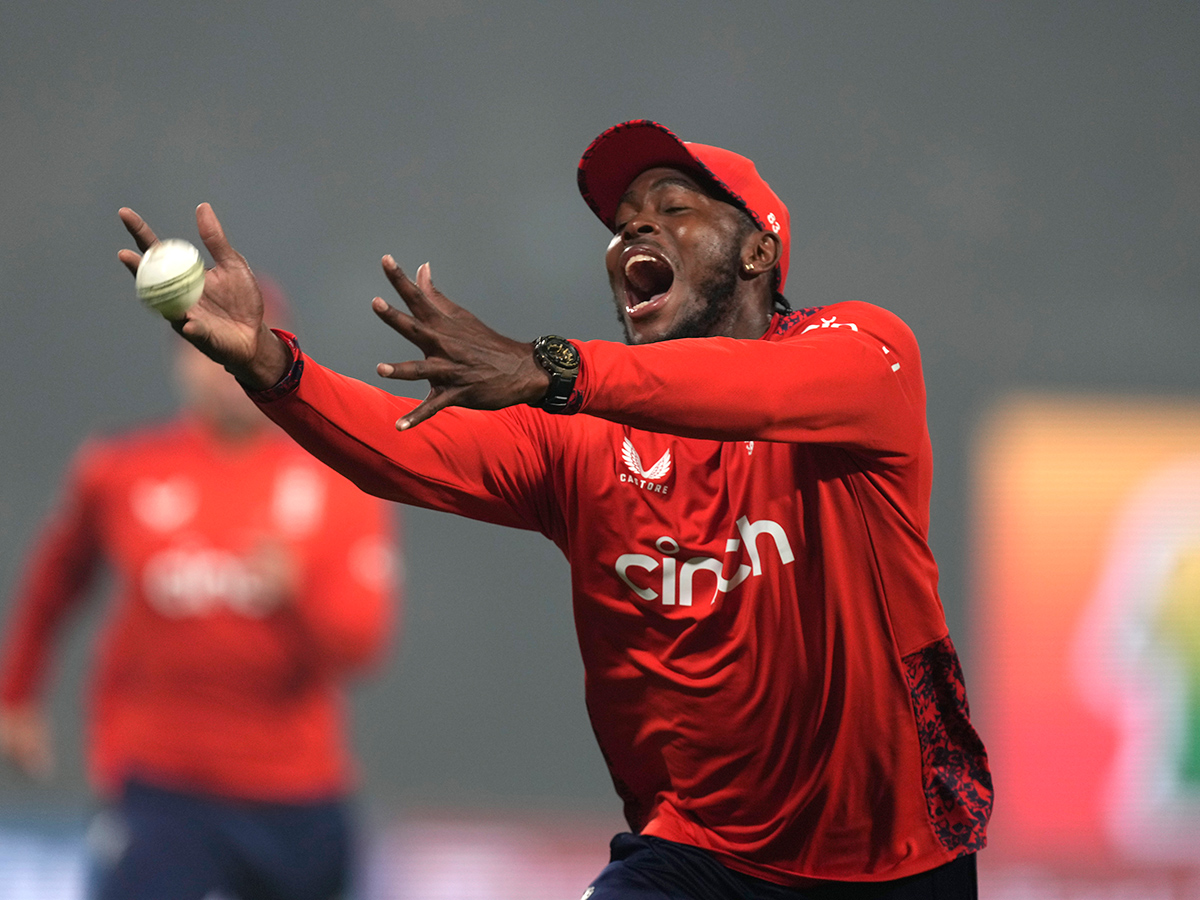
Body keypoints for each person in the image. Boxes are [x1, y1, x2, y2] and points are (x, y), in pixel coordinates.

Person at [116, 119, 991, 899]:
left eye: (673, 206)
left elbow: (753, 388)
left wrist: (554, 368)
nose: (634, 229)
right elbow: (400, 444)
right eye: (621, 224)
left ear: (760, 250)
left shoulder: (866, 356)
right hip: (698, 857)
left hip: (897, 857)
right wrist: (272, 366)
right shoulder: (588, 438)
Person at [0, 285, 399, 900]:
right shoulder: (121, 472)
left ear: (280, 358)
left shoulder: (337, 478)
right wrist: (17, 695)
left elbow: (362, 648)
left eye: (246, 346)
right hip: (160, 790)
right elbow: (53, 586)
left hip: (296, 794)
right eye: (207, 349)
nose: (226, 368)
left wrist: (296, 592)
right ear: (180, 359)